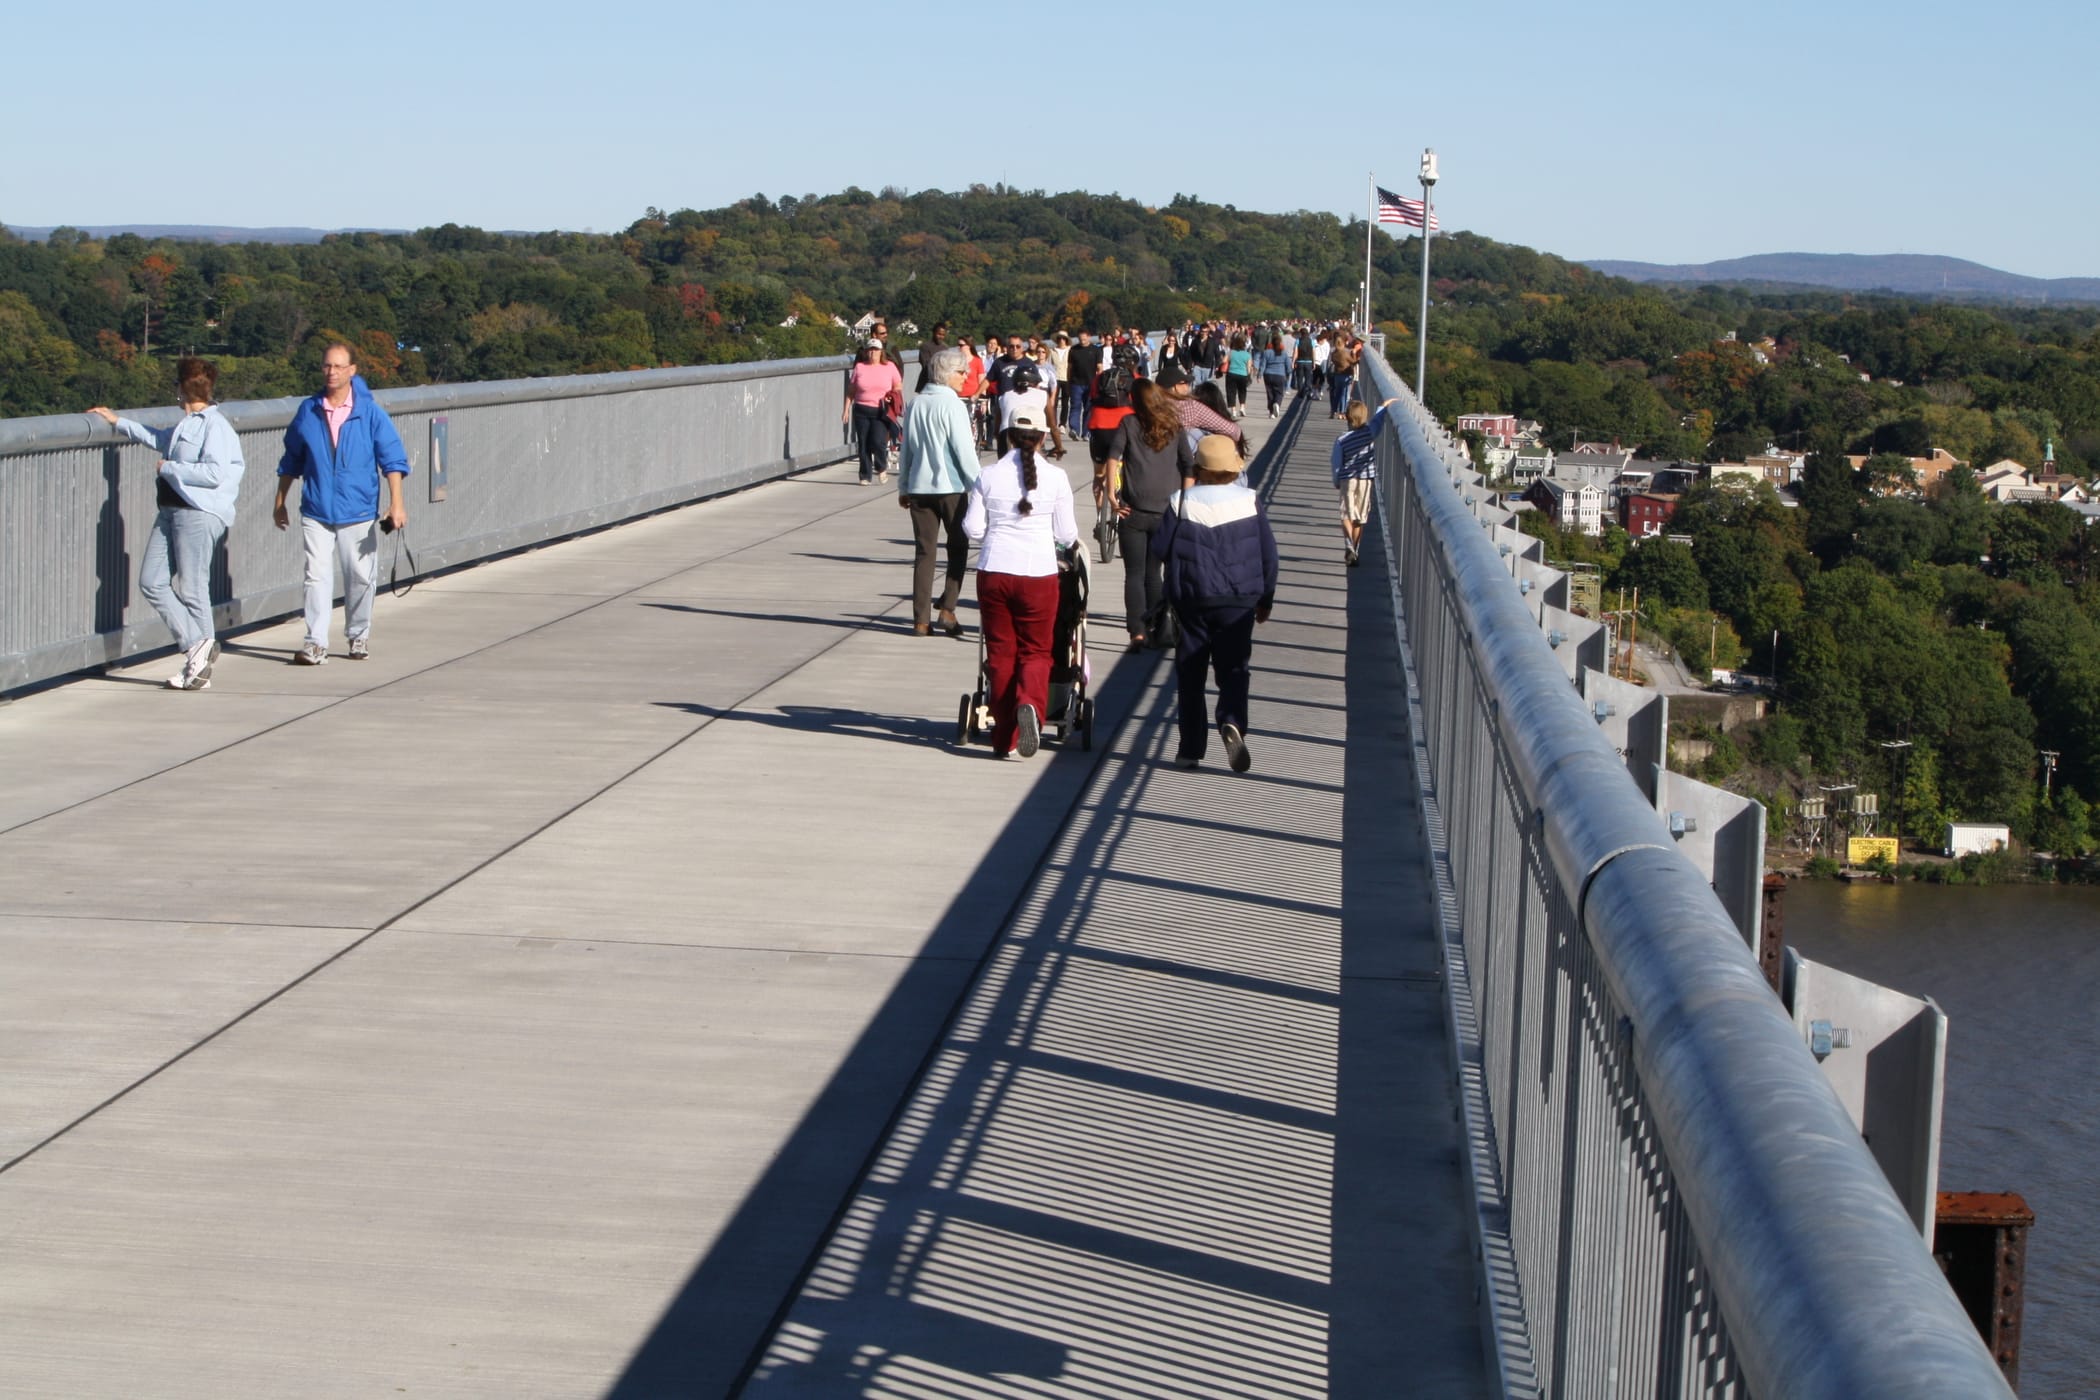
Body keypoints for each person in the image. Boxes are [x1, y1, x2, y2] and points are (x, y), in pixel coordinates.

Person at [88, 357, 245, 690]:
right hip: (171, 511)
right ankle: (197, 648)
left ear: (182, 389)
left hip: (198, 512)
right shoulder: (185, 425)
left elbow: (215, 473)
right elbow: (159, 438)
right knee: (152, 581)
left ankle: (197, 663)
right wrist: (117, 421)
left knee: (192, 587)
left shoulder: (214, 426)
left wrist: (169, 469)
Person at [275, 342, 409, 665]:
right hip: (317, 508)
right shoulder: (308, 411)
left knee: (359, 576)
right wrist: (280, 500)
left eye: (338, 366)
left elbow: (392, 459)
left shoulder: (369, 412)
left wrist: (397, 505)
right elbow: (292, 458)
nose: (331, 372)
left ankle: (358, 634)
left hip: (358, 510)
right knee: (316, 575)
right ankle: (315, 642)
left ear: (352, 370)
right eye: (326, 366)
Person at [1153, 434, 1278, 773]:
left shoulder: (1181, 501)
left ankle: (1190, 748)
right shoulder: (1249, 501)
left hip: (1191, 599)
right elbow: (1269, 556)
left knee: (1190, 674)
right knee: (1234, 668)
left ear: (1200, 468)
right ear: (1233, 469)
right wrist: (1266, 598)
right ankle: (1232, 721)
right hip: (1239, 600)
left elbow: (1160, 547)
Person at [963, 409, 1078, 759]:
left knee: (1000, 654)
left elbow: (972, 529)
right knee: (1036, 651)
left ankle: (1003, 739)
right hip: (1038, 573)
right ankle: (1030, 704)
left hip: (994, 570)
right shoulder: (1056, 478)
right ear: (1043, 437)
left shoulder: (988, 475)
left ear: (1008, 435)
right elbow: (1067, 534)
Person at [1102, 379, 1195, 649]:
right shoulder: (1174, 426)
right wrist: (1183, 500)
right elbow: (1189, 466)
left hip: (1133, 509)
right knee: (1154, 572)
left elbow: (1113, 457)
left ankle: (1137, 632)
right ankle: (1158, 628)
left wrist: (1111, 493)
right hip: (1165, 511)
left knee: (1133, 573)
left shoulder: (1129, 424)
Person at [898, 346, 982, 637]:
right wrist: (980, 486)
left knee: (924, 553)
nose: (966, 377)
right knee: (958, 547)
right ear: (947, 374)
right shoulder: (953, 406)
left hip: (919, 488)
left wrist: (903, 485)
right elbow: (964, 451)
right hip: (951, 488)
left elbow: (906, 448)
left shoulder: (916, 404)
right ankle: (948, 605)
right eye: (962, 372)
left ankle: (920, 620)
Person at [1332, 397, 1396, 567]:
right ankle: (1356, 549)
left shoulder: (1341, 440)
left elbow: (1337, 462)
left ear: (1347, 417)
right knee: (1359, 517)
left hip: (1347, 479)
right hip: (1365, 479)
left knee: (1346, 513)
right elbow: (1377, 422)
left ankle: (1348, 544)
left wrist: (1336, 479)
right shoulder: (1369, 433)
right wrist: (1383, 407)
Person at [843, 341, 902, 485]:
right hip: (861, 409)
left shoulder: (889, 367)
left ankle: (881, 467)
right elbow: (851, 390)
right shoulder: (860, 367)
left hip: (880, 410)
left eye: (875, 350)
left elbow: (898, 385)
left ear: (881, 352)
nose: (872, 353)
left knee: (878, 442)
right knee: (863, 443)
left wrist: (892, 395)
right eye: (870, 350)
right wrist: (846, 409)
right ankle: (865, 475)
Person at [1065, 330, 1102, 437]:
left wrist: (1099, 382)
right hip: (1076, 383)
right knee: (1075, 406)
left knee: (1089, 408)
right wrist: (1068, 381)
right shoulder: (1073, 350)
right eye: (1080, 339)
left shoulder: (1096, 350)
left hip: (1091, 383)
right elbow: (1069, 367)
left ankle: (1087, 432)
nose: (1082, 341)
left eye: (1084, 339)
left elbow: (1099, 367)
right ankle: (1074, 429)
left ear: (1089, 337)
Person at [1255, 335, 1293, 418]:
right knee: (1279, 393)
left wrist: (1259, 375)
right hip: (1280, 375)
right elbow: (1288, 365)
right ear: (1280, 343)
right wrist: (1288, 373)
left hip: (1268, 375)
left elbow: (1263, 365)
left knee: (1270, 393)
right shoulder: (1284, 353)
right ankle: (1277, 403)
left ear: (1272, 342)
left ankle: (1271, 412)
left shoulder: (1267, 352)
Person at [1327, 332, 1358, 417]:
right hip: (1346, 375)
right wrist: (1355, 354)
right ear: (1343, 343)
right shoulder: (1345, 353)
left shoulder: (1334, 353)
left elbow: (1332, 362)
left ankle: (1333, 411)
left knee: (1337, 394)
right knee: (1344, 394)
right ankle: (1342, 412)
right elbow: (1353, 362)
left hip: (1337, 375)